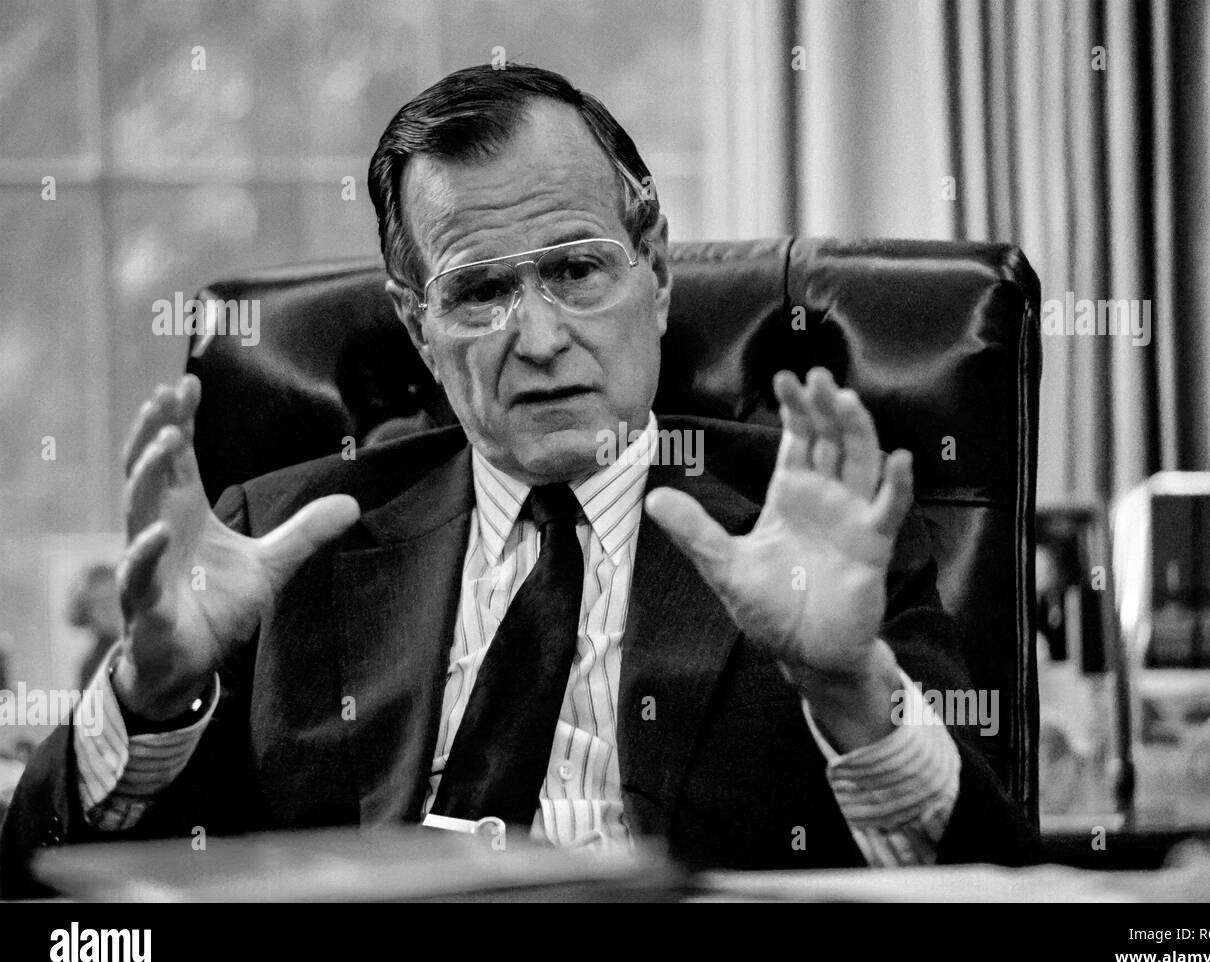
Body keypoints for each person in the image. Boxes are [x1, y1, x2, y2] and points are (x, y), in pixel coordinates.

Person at [0, 64, 1033, 896]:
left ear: (656, 273)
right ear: (418, 323)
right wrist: (152, 694)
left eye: (577, 270)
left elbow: (982, 873)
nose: (537, 339)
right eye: (480, 291)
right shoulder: (281, 539)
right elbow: (44, 878)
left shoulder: (810, 521)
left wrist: (848, 686)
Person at [65, 564, 124, 690]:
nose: (109, 609)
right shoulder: (94, 665)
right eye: (99, 603)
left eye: (113, 598)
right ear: (86, 612)